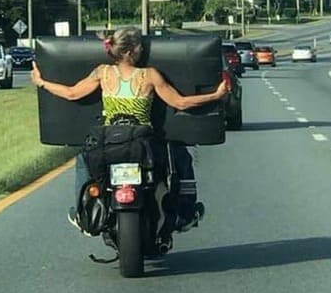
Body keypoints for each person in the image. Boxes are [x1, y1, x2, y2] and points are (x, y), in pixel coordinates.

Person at [30, 26, 228, 234]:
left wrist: (42, 83)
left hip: (109, 141)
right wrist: (215, 96)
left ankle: (83, 214)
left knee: (82, 160)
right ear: (129, 51)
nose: (143, 49)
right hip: (142, 142)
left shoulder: (103, 73)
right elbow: (180, 102)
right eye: (139, 46)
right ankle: (185, 214)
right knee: (180, 158)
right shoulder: (149, 75)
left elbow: (71, 93)